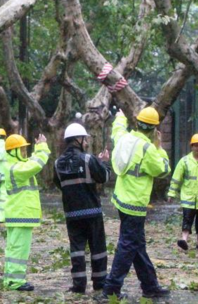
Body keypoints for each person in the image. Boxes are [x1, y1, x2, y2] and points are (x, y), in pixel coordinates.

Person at [102, 108, 171, 301]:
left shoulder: (124, 138)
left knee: (136, 244)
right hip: (135, 204)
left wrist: (121, 116)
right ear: (154, 129)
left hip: (121, 200)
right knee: (128, 245)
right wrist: (159, 146)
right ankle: (111, 289)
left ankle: (150, 286)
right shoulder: (147, 148)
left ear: (137, 123)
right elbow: (163, 169)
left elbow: (117, 129)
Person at [53, 123, 111, 294]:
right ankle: (100, 282)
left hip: (72, 213)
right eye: (85, 139)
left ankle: (78, 285)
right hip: (92, 212)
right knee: (98, 248)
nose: (86, 142)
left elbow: (59, 184)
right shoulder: (88, 159)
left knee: (77, 250)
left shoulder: (57, 163)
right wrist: (104, 163)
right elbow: (104, 177)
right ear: (78, 139)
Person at [2, 133, 50, 291]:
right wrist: (42, 148)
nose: (24, 152)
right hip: (20, 215)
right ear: (13, 151)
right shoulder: (15, 168)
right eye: (21, 149)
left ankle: (10, 279)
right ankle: (16, 281)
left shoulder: (14, 165)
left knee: (13, 248)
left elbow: (30, 162)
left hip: (17, 214)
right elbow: (35, 165)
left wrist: (36, 150)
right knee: (19, 250)